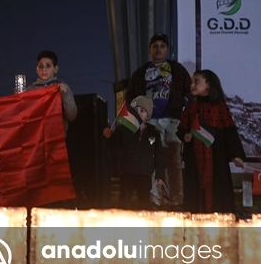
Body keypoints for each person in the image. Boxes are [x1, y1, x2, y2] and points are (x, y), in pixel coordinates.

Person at [125, 32, 192, 207]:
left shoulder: (177, 69)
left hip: (172, 120)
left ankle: (177, 199)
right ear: (150, 49)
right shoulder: (141, 72)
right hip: (150, 121)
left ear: (167, 49)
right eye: (155, 46)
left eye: (162, 46)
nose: (158, 49)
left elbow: (189, 89)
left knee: (174, 161)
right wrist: (138, 115)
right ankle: (154, 200)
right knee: (151, 160)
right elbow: (130, 95)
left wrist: (183, 104)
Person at [177, 69, 245, 213]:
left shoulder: (220, 107)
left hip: (215, 160)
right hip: (195, 161)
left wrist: (236, 155)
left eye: (197, 82)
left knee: (217, 193)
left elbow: (229, 132)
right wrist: (185, 136)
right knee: (195, 193)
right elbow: (181, 130)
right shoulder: (190, 108)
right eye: (192, 82)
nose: (192, 85)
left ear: (208, 84)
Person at [103, 95, 165, 210]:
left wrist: (160, 174)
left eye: (142, 111)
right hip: (127, 171)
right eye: (135, 110)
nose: (138, 113)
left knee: (144, 201)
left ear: (148, 115)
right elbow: (113, 147)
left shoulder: (154, 133)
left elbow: (159, 155)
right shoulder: (123, 129)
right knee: (124, 200)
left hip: (145, 173)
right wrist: (109, 137)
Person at [30, 50, 78, 129]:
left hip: (56, 137)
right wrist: (17, 99)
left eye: (48, 66)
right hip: (35, 138)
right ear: (36, 69)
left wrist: (65, 94)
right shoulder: (29, 91)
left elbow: (72, 116)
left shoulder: (62, 88)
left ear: (56, 69)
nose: (44, 69)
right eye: (41, 66)